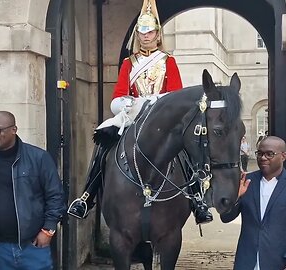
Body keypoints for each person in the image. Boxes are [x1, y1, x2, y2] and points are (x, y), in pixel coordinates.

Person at [67, 0, 213, 225]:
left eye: (150, 31)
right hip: (133, 113)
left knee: (184, 150)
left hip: (162, 114)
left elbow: (175, 93)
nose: (146, 35)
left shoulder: (168, 61)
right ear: (138, 33)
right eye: (142, 31)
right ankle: (87, 196)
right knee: (103, 142)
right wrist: (125, 103)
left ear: (157, 34)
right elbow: (119, 92)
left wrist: (156, 101)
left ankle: (197, 200)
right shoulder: (129, 62)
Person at [0, 111, 65, 270]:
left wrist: (48, 230)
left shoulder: (38, 157)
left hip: (33, 246)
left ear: (14, 129)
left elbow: (56, 196)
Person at [221, 136, 286, 270]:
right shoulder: (245, 182)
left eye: (269, 154)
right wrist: (236, 197)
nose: (263, 158)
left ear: (283, 156)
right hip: (246, 261)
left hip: (280, 263)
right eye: (260, 153)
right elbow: (226, 217)